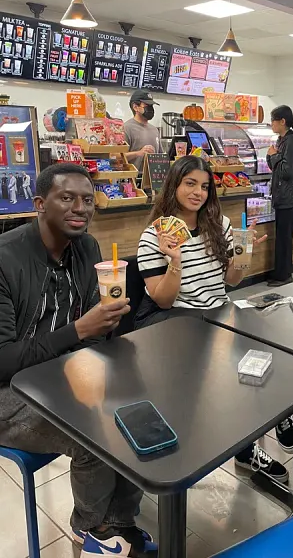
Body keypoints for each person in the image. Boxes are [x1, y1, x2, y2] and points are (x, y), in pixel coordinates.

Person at [0, 163, 157, 558]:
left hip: (62, 374)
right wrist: (79, 330)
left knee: (137, 407)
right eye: (67, 198)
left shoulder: (87, 248)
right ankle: (91, 529)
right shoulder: (5, 259)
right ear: (40, 204)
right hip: (8, 390)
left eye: (87, 200)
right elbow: (3, 360)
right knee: (93, 432)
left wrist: (104, 331)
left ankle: (119, 520)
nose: (80, 208)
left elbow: (95, 330)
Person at [136, 156, 293, 481]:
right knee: (231, 372)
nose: (198, 192)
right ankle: (246, 450)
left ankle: (275, 413)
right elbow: (164, 299)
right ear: (174, 185)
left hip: (219, 311)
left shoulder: (219, 224)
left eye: (204, 186)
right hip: (179, 319)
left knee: (268, 343)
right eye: (190, 184)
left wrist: (243, 253)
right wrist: (175, 260)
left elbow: (232, 281)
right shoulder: (156, 236)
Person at [266, 105, 293, 287]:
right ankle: (280, 273)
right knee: (282, 237)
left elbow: (287, 172)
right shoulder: (282, 140)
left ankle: (284, 276)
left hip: (289, 197)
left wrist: (274, 156)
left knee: (284, 238)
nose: (271, 124)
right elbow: (275, 167)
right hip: (283, 196)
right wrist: (271, 156)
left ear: (282, 121)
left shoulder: (291, 141)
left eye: (273, 120)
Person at [124, 89, 161, 172]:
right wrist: (138, 153)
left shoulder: (155, 130)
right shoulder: (126, 128)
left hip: (153, 177)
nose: (150, 109)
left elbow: (161, 156)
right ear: (135, 107)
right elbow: (116, 157)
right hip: (133, 178)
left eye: (151, 106)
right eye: (147, 105)